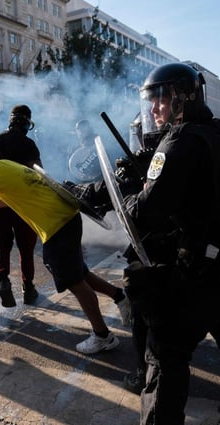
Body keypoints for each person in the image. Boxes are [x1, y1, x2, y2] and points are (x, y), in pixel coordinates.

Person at [0, 144, 123, 354]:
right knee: (79, 273)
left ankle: (103, 336)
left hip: (56, 224)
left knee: (75, 282)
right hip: (65, 218)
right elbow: (3, 201)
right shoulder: (7, 166)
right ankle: (121, 297)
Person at [122, 63, 220, 424]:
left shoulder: (179, 140)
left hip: (196, 273)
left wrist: (131, 189)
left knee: (165, 359)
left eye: (159, 99)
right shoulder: (214, 133)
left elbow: (145, 214)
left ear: (183, 97)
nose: (152, 109)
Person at [0, 105, 40, 308]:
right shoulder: (28, 144)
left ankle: (3, 280)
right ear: (27, 123)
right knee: (26, 247)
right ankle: (28, 288)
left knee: (0, 243)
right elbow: (37, 174)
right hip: (22, 204)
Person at [68, 119, 102, 184]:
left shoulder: (98, 139)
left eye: (83, 128)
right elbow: (73, 170)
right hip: (91, 182)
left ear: (89, 128)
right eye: (78, 129)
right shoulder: (74, 149)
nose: (81, 131)